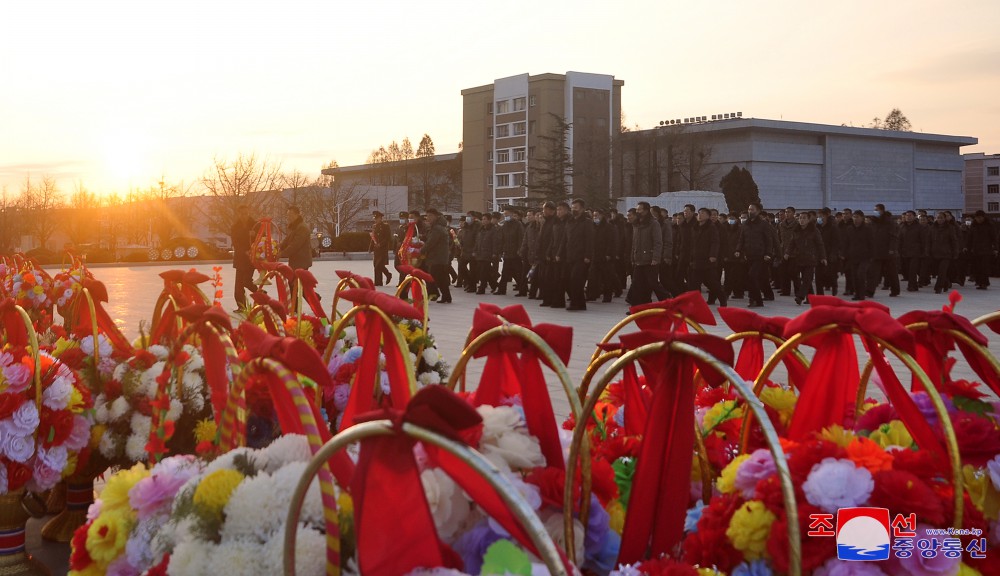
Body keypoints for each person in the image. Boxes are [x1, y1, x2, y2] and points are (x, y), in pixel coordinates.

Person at [734, 202, 774, 308]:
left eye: (752, 209)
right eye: (749, 209)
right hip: (748, 255)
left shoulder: (763, 224)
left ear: (758, 211)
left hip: (760, 256)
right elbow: (741, 239)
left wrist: (768, 253)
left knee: (752, 276)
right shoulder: (745, 224)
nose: (750, 211)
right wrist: (738, 250)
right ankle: (755, 300)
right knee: (750, 278)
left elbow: (768, 240)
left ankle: (756, 300)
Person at [629, 202, 669, 306]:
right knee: (637, 284)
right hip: (639, 259)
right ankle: (637, 307)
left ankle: (668, 301)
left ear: (646, 211)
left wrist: (656, 258)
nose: (637, 211)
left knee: (653, 283)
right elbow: (634, 242)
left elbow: (658, 242)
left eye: (639, 210)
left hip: (650, 259)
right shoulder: (636, 224)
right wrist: (633, 256)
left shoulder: (653, 223)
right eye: (637, 209)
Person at [783, 211, 827, 305]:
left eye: (804, 218)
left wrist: (823, 257)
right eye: (800, 218)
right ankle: (811, 298)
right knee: (805, 279)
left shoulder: (814, 230)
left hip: (811, 258)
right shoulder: (796, 230)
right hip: (799, 258)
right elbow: (792, 243)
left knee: (807, 279)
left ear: (808, 220)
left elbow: (820, 244)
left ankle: (800, 296)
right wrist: (787, 253)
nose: (802, 220)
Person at [690, 207, 727, 307]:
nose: (700, 215)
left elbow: (715, 242)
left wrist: (713, 255)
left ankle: (722, 299)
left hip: (707, 260)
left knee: (712, 283)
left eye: (702, 213)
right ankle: (696, 303)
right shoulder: (695, 227)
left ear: (708, 216)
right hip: (697, 260)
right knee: (694, 284)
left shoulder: (711, 227)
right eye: (699, 213)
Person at [564, 199, 595, 311]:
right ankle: (581, 303)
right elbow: (566, 239)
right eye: (572, 207)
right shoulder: (570, 222)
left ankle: (575, 303)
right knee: (570, 280)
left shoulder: (587, 222)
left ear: (582, 209)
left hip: (581, 257)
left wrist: (588, 255)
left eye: (576, 207)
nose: (573, 210)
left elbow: (590, 240)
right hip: (570, 255)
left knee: (576, 280)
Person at [420, 208, 452, 303]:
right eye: (427, 216)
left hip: (437, 257)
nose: (428, 218)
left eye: (430, 216)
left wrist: (421, 250)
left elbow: (431, 243)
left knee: (432, 277)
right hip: (438, 257)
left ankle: (434, 294)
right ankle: (446, 297)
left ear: (436, 216)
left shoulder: (437, 228)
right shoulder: (436, 227)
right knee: (440, 278)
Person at [230, 204, 258, 312]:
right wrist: (244, 251)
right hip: (240, 258)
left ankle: (260, 293)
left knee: (247, 281)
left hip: (251, 259)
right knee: (238, 286)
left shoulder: (255, 225)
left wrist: (254, 234)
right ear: (239, 214)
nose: (244, 215)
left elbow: (262, 237)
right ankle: (241, 306)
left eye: (246, 213)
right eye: (242, 213)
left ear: (249, 212)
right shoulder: (235, 227)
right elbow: (235, 243)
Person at [842, 210, 875, 301]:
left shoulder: (868, 229)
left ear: (862, 218)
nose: (855, 219)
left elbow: (872, 243)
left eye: (857, 217)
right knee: (854, 276)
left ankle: (862, 294)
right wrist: (844, 254)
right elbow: (846, 242)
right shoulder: (849, 229)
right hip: (853, 256)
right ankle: (857, 294)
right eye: (854, 217)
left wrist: (872, 255)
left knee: (861, 274)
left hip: (865, 257)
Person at [587, 208, 618, 303]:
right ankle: (591, 295)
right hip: (595, 255)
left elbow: (612, 241)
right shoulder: (592, 226)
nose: (595, 217)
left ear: (602, 216)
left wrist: (609, 254)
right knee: (592, 277)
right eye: (594, 216)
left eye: (596, 215)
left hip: (605, 256)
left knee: (606, 277)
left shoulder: (608, 227)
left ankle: (607, 296)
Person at [868, 204, 900, 297]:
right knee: (873, 272)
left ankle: (895, 290)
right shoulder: (873, 222)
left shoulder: (889, 222)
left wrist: (892, 249)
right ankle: (870, 291)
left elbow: (894, 237)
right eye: (874, 210)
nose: (875, 211)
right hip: (876, 251)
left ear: (882, 210)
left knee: (892, 273)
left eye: (877, 210)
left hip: (888, 252)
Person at [930, 211, 960, 294]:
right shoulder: (932, 228)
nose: (939, 219)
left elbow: (954, 241)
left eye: (941, 218)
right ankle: (946, 283)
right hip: (935, 253)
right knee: (937, 271)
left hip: (946, 253)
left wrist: (955, 252)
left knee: (942, 271)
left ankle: (938, 287)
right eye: (938, 218)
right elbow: (929, 241)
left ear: (945, 219)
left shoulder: (950, 228)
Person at [497, 207, 524, 295]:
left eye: (507, 214)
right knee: (505, 272)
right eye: (504, 214)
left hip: (515, 253)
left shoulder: (518, 225)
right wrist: (501, 251)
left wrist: (520, 250)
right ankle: (501, 290)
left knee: (518, 272)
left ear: (512, 214)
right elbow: (502, 239)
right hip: (507, 253)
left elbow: (521, 238)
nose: (505, 216)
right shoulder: (505, 225)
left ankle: (523, 289)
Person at [898, 210, 926, 292]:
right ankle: (914, 285)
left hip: (916, 252)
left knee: (912, 270)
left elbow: (923, 240)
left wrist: (923, 251)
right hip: (904, 252)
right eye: (907, 215)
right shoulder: (902, 226)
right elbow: (899, 239)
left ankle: (911, 285)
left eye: (910, 215)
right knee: (907, 269)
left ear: (914, 217)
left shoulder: (919, 227)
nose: (908, 217)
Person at [968, 210, 996, 289]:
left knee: (984, 267)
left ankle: (984, 283)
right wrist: (967, 247)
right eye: (977, 218)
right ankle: (979, 282)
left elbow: (994, 237)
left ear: (984, 217)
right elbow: (970, 238)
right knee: (977, 267)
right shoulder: (974, 226)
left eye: (980, 217)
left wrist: (995, 248)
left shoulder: (989, 225)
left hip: (986, 250)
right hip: (976, 250)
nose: (979, 219)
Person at [279, 205, 312, 271]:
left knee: (297, 280)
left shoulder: (302, 227)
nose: (288, 217)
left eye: (290, 215)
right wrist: (278, 246)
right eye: (287, 215)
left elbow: (295, 245)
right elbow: (287, 240)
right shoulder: (295, 226)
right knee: (293, 280)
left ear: (297, 214)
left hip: (301, 262)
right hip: (295, 261)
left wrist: (281, 254)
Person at [473, 213, 498, 294]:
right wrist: (475, 250)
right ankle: (494, 285)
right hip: (480, 253)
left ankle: (482, 288)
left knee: (483, 271)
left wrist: (494, 252)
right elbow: (477, 241)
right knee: (483, 271)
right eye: (482, 219)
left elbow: (495, 242)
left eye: (485, 219)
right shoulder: (481, 229)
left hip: (488, 253)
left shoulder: (493, 230)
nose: (483, 221)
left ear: (489, 220)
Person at [370, 210, 392, 286]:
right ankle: (379, 281)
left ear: (380, 218)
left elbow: (388, 238)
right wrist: (370, 248)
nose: (375, 220)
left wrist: (381, 244)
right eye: (374, 218)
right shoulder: (374, 226)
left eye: (377, 218)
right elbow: (373, 238)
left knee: (378, 265)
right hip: (376, 249)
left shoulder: (386, 226)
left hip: (383, 249)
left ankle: (385, 277)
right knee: (376, 265)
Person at [393, 211, 409, 285]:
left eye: (403, 218)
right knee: (397, 265)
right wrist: (394, 249)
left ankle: (402, 282)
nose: (401, 220)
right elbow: (395, 239)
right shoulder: (398, 228)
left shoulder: (409, 228)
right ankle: (405, 277)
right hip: (398, 249)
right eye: (400, 218)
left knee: (403, 266)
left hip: (405, 250)